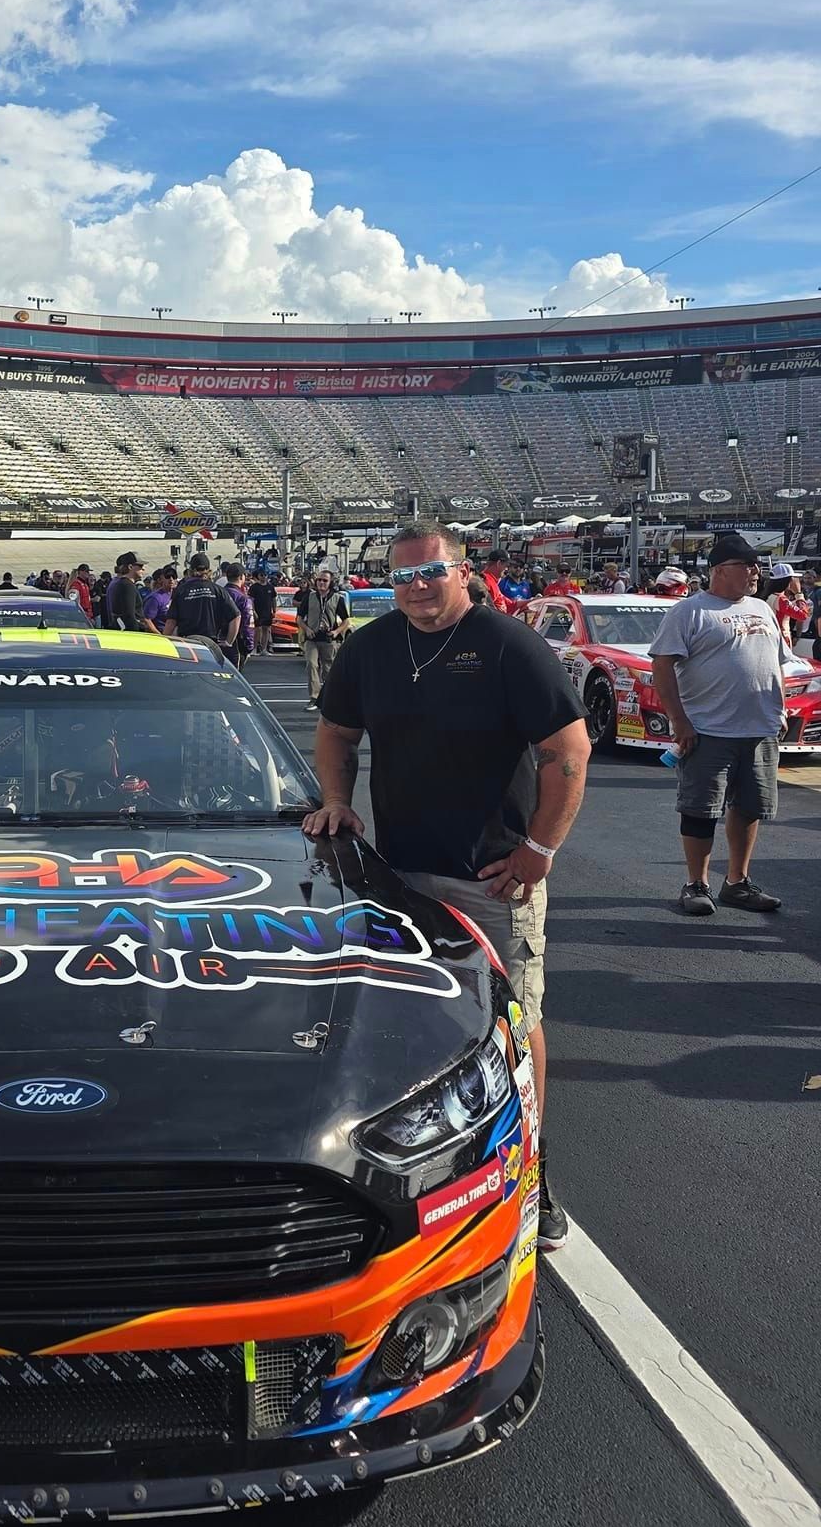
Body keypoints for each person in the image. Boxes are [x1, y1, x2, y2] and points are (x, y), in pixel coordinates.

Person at [304, 522, 589, 1250]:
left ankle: (534, 1170)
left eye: (432, 572)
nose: (417, 588)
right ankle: (426, 1176)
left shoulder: (507, 645)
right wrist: (336, 799)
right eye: (402, 577)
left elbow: (569, 750)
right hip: (397, 877)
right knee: (406, 1030)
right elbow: (336, 731)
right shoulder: (372, 647)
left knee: (515, 1025)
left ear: (465, 573)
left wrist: (539, 847)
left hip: (494, 877)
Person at [649, 533, 784, 918]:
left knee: (750, 807)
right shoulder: (689, 612)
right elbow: (662, 666)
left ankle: (737, 882)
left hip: (759, 728)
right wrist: (680, 720)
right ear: (720, 571)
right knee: (701, 809)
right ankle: (696, 883)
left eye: (756, 566)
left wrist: (781, 706)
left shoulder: (762, 608)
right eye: (747, 566)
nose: (756, 573)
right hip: (709, 728)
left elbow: (774, 660)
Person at [297, 567, 352, 703]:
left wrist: (336, 632)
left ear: (330, 583)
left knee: (328, 670)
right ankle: (314, 697)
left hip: (329, 640)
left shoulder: (337, 598)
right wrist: (306, 629)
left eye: (325, 580)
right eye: (319, 580)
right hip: (312, 638)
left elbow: (346, 620)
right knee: (311, 664)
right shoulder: (309, 597)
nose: (321, 583)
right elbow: (299, 618)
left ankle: (329, 697)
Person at [164, 552, 240, 650]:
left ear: (191, 570)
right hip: (210, 644)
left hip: (187, 644)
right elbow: (236, 616)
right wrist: (229, 642)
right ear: (208, 570)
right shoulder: (218, 590)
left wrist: (165, 643)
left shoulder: (181, 591)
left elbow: (171, 621)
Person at [106, 552, 158, 633]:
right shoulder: (127, 585)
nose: (143, 569)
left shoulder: (121, 583)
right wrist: (136, 632)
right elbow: (129, 615)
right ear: (130, 567)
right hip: (130, 633)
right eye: (140, 566)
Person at [767, 565, 810, 651]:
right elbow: (803, 615)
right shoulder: (781, 600)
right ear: (787, 581)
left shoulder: (767, 595)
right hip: (781, 639)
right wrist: (798, 593)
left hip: (771, 637)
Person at [220, 561, 254, 667]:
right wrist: (249, 646)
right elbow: (248, 624)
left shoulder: (218, 593)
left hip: (216, 640)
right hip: (236, 643)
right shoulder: (243, 598)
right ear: (241, 577)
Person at [248, 570, 276, 654]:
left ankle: (264, 649)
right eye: (261, 575)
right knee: (257, 630)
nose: (263, 577)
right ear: (258, 576)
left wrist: (274, 610)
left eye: (265, 575)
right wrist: (253, 611)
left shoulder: (270, 587)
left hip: (267, 612)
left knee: (266, 629)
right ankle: (254, 648)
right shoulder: (254, 587)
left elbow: (273, 599)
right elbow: (251, 600)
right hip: (257, 611)